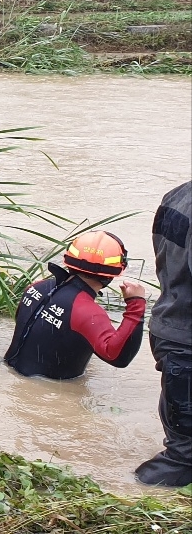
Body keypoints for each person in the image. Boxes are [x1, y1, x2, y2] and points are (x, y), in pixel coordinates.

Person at [3, 230, 146, 379]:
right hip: (51, 394)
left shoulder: (35, 287)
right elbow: (118, 357)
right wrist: (136, 305)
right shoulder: (88, 312)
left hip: (11, 376)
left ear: (69, 258)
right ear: (117, 270)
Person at [138, 181, 192, 487]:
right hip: (186, 346)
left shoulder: (178, 194)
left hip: (170, 328)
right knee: (183, 457)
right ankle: (128, 496)